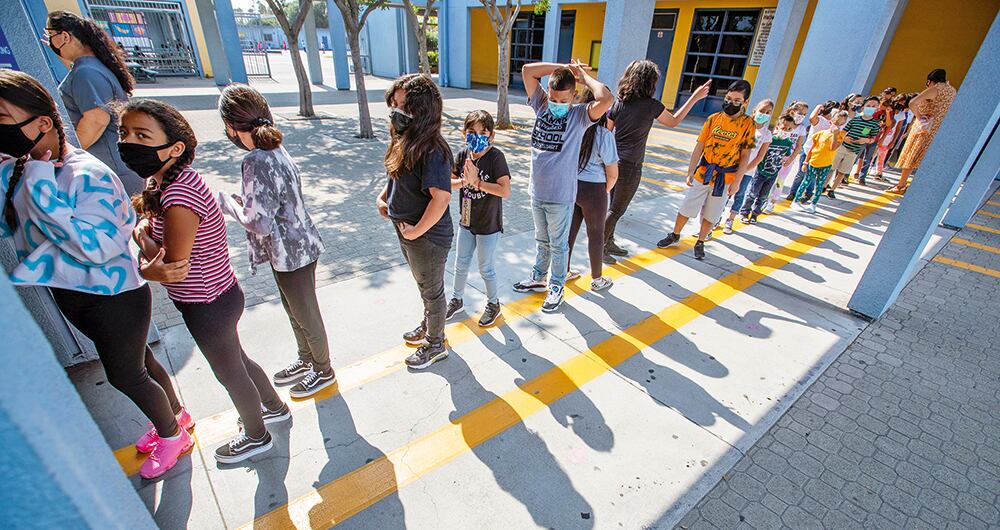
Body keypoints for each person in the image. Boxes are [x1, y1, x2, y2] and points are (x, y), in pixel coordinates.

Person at [0, 70, 191, 480]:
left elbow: (96, 246)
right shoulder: (16, 167)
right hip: (72, 293)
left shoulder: (85, 175)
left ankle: (173, 435)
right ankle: (175, 414)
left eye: (1, 117)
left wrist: (37, 179)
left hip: (115, 296)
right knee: (139, 361)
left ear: (42, 123)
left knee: (126, 374)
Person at [120, 99, 289, 464]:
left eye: (141, 135)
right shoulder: (173, 182)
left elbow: (173, 266)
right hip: (220, 295)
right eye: (125, 133)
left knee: (230, 372)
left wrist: (142, 240)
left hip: (206, 303)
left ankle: (257, 436)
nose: (129, 142)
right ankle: (275, 408)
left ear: (175, 148)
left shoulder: (179, 195)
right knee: (237, 360)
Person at [215, 84, 332, 399]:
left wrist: (229, 203)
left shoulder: (256, 159)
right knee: (296, 310)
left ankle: (323, 370)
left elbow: (259, 221)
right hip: (299, 245)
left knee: (305, 313)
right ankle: (307, 359)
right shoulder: (275, 149)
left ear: (230, 126)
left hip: (290, 251)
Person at [511, 60, 613, 312]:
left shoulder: (580, 116)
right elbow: (527, 71)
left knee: (558, 244)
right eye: (554, 98)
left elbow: (607, 99)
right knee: (541, 240)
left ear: (574, 96)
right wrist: (562, 67)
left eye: (562, 100)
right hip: (537, 191)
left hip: (560, 196)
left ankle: (556, 286)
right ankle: (538, 277)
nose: (556, 104)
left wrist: (582, 76)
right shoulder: (542, 105)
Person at [376, 74, 454, 369]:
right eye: (394, 105)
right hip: (408, 232)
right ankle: (429, 326)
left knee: (432, 290)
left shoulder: (434, 149)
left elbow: (441, 198)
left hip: (426, 237)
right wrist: (383, 198)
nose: (396, 112)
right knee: (425, 287)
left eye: (403, 106)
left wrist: (416, 231)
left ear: (422, 110)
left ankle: (435, 344)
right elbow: (395, 175)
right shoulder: (405, 139)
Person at [602, 60, 710, 264]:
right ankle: (600, 247)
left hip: (612, 162)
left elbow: (606, 133)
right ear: (649, 82)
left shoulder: (619, 102)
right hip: (631, 165)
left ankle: (608, 242)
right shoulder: (652, 106)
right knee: (617, 210)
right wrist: (694, 97)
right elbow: (674, 121)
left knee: (612, 206)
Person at [43, 11, 143, 195]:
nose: (50, 43)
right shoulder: (91, 68)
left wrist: (65, 155)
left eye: (51, 36)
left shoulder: (86, 72)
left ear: (65, 36)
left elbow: (96, 120)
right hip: (117, 166)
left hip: (111, 169)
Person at [657, 80, 755, 260]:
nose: (731, 103)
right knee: (687, 206)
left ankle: (700, 241)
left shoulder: (748, 124)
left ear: (745, 102)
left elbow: (745, 156)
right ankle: (675, 234)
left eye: (736, 100)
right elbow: (699, 146)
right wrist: (690, 171)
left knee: (712, 212)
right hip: (704, 172)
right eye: (728, 98)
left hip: (725, 178)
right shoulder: (713, 119)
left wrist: (737, 181)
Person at [444, 110, 511, 327]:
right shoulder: (463, 155)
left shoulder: (496, 157)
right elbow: (449, 183)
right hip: (467, 221)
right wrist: (465, 181)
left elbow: (505, 190)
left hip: (489, 225)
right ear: (464, 133)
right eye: (471, 131)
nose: (477, 136)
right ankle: (457, 299)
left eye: (483, 132)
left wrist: (478, 183)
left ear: (491, 135)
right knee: (460, 263)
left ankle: (493, 304)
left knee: (485, 268)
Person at [567, 86, 618, 291]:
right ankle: (597, 279)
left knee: (568, 233)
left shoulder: (572, 129)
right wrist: (604, 190)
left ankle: (563, 271)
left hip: (571, 185)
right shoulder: (604, 135)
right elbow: (613, 173)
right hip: (594, 189)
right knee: (596, 234)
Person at [889, 69, 957, 194]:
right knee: (927, 158)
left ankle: (900, 185)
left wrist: (920, 117)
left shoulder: (935, 89)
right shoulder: (952, 91)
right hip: (939, 127)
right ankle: (919, 187)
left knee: (912, 154)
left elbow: (913, 102)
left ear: (930, 81)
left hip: (925, 127)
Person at [722, 99, 773, 234]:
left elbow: (760, 156)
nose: (764, 114)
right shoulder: (742, 126)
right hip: (731, 167)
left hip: (748, 171)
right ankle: (715, 218)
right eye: (762, 111)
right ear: (754, 111)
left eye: (768, 112)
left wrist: (745, 168)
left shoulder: (767, 134)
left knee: (739, 194)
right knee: (724, 194)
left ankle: (731, 219)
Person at [739, 114, 796, 225]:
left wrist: (786, 161)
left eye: (790, 129)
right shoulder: (771, 139)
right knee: (752, 193)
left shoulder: (789, 143)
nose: (786, 131)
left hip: (773, 173)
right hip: (760, 171)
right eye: (784, 128)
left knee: (763, 196)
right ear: (778, 126)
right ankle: (745, 212)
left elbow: (786, 155)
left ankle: (755, 214)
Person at [791, 110, 848, 213]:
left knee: (820, 184)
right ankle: (796, 201)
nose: (837, 125)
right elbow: (812, 149)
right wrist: (805, 162)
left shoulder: (840, 136)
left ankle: (813, 204)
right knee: (806, 182)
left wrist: (835, 134)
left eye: (840, 124)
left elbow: (832, 148)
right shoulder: (820, 134)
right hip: (813, 162)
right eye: (836, 122)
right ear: (831, 121)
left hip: (826, 164)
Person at [828, 96, 881, 198]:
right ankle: (824, 186)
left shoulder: (875, 124)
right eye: (868, 105)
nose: (870, 108)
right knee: (832, 168)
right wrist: (845, 138)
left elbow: (873, 138)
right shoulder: (855, 120)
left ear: (877, 108)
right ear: (863, 107)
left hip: (854, 150)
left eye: (874, 106)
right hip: (843, 146)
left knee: (843, 171)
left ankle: (833, 189)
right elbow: (844, 131)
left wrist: (865, 140)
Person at [785, 100, 838, 202]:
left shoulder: (834, 127)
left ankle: (808, 193)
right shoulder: (820, 120)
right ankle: (793, 192)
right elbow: (812, 118)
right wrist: (819, 106)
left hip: (820, 155)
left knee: (813, 175)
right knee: (801, 173)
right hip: (808, 151)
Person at [765, 100, 809, 213]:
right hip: (775, 155)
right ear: (793, 111)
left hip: (788, 157)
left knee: (780, 181)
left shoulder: (801, 128)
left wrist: (791, 159)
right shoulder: (783, 121)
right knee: (769, 178)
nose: (802, 116)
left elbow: (799, 145)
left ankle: (772, 202)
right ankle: (764, 199)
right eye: (800, 113)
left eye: (804, 114)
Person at [853, 88, 896, 185]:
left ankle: (862, 177)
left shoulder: (887, 112)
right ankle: (846, 175)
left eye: (886, 105)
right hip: (865, 134)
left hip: (875, 137)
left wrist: (888, 113)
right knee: (856, 155)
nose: (883, 106)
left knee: (868, 158)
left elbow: (888, 125)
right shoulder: (872, 109)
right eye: (883, 103)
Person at [873, 95, 907, 181]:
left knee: (882, 156)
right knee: (872, 154)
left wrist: (893, 141)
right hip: (879, 136)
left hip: (889, 139)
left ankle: (879, 172)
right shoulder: (886, 112)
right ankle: (867, 170)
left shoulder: (901, 115)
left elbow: (898, 129)